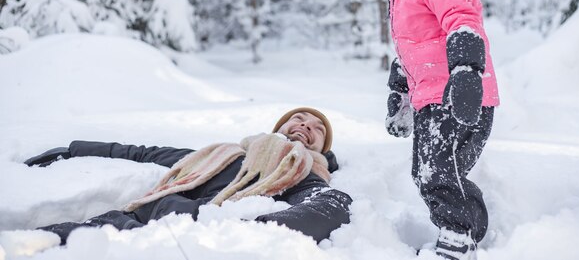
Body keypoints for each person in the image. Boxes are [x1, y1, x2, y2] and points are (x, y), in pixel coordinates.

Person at [363, 0, 500, 260]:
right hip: (434, 96)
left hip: (458, 94)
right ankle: (465, 233)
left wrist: (464, 70)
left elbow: (461, 19)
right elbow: (417, 41)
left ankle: (458, 239)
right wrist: (402, 87)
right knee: (438, 172)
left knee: (435, 172)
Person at [24, 107, 352, 245]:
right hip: (136, 219)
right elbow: (143, 152)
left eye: (318, 128)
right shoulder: (223, 152)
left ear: (323, 148)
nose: (307, 124)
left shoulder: (302, 171)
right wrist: (73, 148)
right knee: (40, 242)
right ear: (277, 128)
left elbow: (330, 205)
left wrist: (242, 231)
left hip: (181, 239)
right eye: (298, 118)